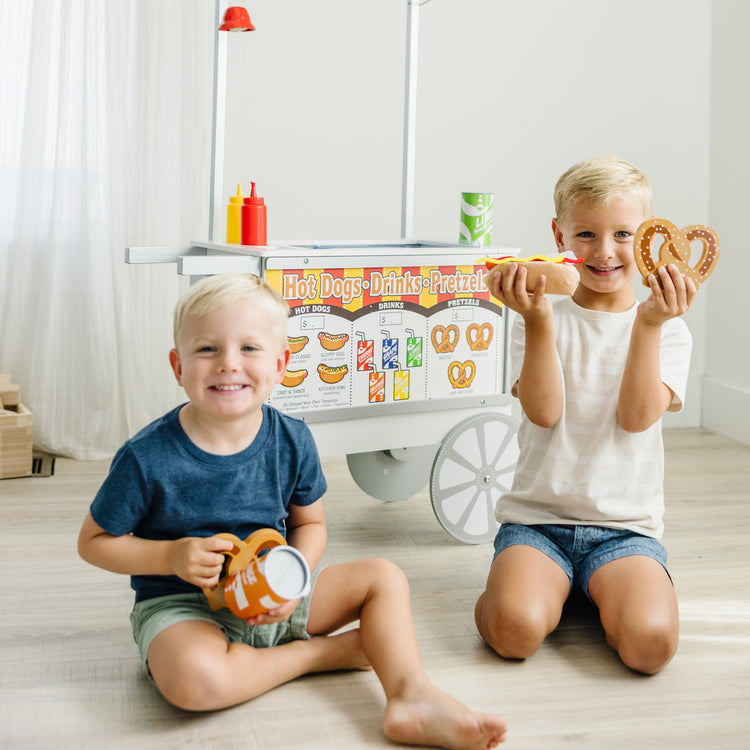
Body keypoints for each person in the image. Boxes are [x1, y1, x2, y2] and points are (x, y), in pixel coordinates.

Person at [78, 273, 507, 750]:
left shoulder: (292, 439)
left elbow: (311, 524)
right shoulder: (146, 457)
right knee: (193, 682)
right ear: (178, 366)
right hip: (184, 606)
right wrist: (170, 558)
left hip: (276, 593)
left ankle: (411, 695)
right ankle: (320, 655)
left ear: (281, 364)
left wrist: (296, 577)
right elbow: (93, 542)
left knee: (385, 576)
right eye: (207, 350)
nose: (228, 364)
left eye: (249, 349)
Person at [475, 156, 696, 675]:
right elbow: (544, 413)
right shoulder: (537, 314)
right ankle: (532, 587)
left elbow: (637, 417)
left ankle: (602, 589)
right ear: (558, 234)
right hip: (538, 522)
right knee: (513, 632)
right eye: (586, 233)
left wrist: (648, 325)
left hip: (626, 531)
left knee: (651, 646)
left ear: (648, 240)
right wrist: (535, 321)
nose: (603, 251)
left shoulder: (670, 330)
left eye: (623, 234)